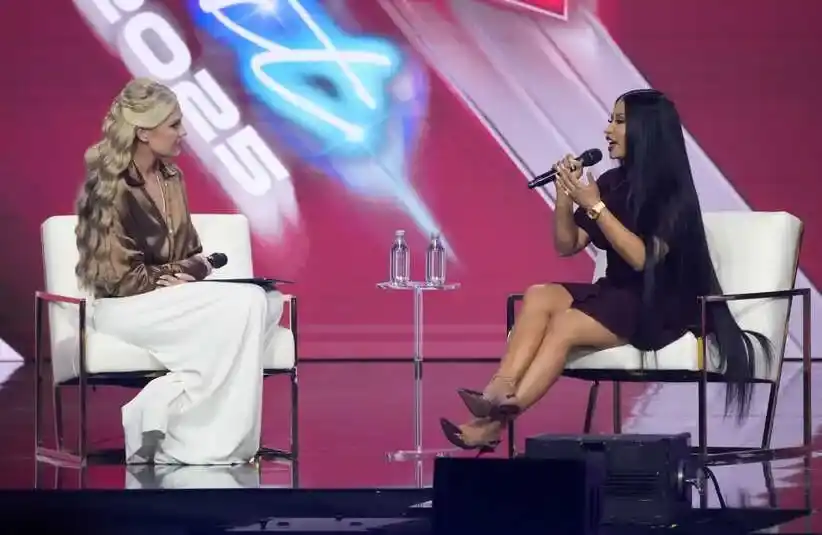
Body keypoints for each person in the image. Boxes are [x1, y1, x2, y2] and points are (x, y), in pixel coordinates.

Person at [441, 89, 772, 453]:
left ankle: (495, 421)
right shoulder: (613, 183)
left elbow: (643, 259)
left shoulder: (673, 194)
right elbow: (567, 245)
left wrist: (596, 206)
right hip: (616, 291)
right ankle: (498, 390)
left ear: (645, 130)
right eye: (610, 119)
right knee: (540, 293)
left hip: (657, 304)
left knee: (565, 324)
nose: (607, 130)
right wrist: (565, 197)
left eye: (618, 121)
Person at [74, 78, 284, 465]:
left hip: (170, 296)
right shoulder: (109, 186)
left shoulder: (172, 178)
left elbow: (194, 256)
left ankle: (156, 406)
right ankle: (202, 446)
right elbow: (122, 279)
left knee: (267, 302)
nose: (182, 132)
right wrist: (173, 276)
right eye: (173, 123)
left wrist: (185, 273)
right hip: (126, 307)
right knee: (247, 306)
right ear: (143, 131)